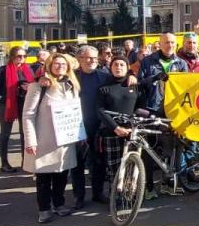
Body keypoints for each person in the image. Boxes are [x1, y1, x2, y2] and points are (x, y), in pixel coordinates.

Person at [22, 52, 81, 224]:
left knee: (62, 174)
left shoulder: (72, 85)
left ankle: (59, 204)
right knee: (43, 177)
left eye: (63, 64)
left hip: (65, 139)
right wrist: (30, 140)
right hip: (44, 139)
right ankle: (44, 209)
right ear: (49, 66)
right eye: (57, 64)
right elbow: (28, 115)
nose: (60, 66)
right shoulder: (38, 87)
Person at [71, 45, 110, 208]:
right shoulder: (71, 77)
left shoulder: (104, 76)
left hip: (98, 127)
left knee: (99, 162)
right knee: (78, 163)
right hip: (76, 127)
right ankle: (78, 196)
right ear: (80, 59)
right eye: (88, 58)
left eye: (95, 58)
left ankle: (97, 193)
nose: (92, 61)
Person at [97, 56, 142, 187]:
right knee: (114, 167)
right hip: (111, 131)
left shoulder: (135, 85)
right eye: (115, 65)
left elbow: (140, 107)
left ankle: (131, 193)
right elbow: (100, 110)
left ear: (128, 68)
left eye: (122, 65)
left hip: (132, 131)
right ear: (110, 67)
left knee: (132, 165)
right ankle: (115, 194)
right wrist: (115, 127)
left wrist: (132, 126)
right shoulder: (104, 87)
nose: (118, 67)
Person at [0, 47, 35, 173]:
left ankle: (25, 162)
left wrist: (27, 86)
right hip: (7, 104)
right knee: (5, 134)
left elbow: (34, 85)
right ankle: (4, 163)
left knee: (25, 134)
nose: (22, 59)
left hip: (25, 103)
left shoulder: (28, 69)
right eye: (18, 56)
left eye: (24, 56)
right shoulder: (3, 70)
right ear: (11, 56)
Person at [138, 32, 187, 115]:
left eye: (172, 42)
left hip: (173, 107)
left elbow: (185, 86)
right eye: (167, 42)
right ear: (160, 44)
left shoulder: (181, 63)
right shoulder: (147, 61)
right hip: (152, 108)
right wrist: (154, 78)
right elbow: (139, 84)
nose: (170, 45)